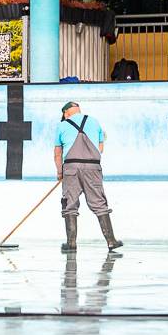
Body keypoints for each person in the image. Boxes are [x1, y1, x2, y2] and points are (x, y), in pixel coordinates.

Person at [53, 101, 122, 253]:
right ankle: (111, 241)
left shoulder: (62, 125)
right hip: (93, 167)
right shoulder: (95, 122)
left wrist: (60, 172)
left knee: (69, 204)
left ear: (66, 113)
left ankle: (71, 244)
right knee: (98, 202)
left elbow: (58, 153)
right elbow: (100, 148)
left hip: (71, 168)